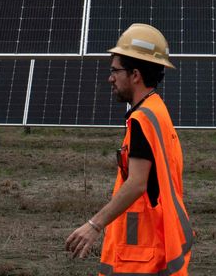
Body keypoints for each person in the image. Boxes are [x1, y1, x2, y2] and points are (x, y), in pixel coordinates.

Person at [64, 23, 194, 275]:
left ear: (135, 74)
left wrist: (94, 225)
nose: (110, 77)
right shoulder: (157, 109)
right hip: (154, 238)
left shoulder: (142, 120)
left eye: (115, 70)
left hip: (140, 248)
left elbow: (137, 183)